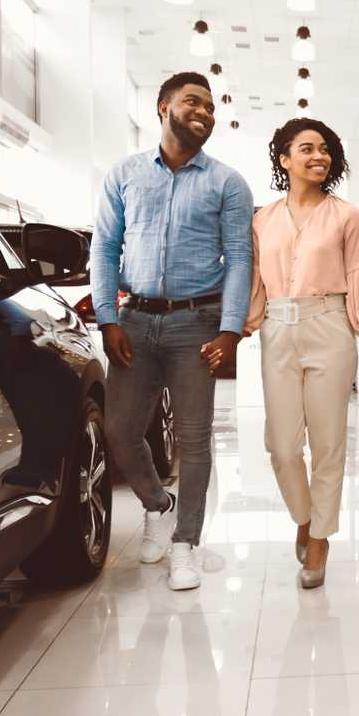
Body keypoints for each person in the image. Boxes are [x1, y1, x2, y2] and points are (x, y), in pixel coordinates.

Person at [91, 71, 254, 591]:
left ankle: (186, 543)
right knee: (119, 431)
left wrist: (230, 330)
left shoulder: (227, 183)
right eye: (192, 102)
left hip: (196, 324)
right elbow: (104, 247)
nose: (204, 112)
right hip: (134, 322)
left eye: (210, 107)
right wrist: (107, 316)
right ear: (164, 106)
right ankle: (158, 504)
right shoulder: (125, 174)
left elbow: (240, 259)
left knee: (194, 439)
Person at [246, 118, 359, 590]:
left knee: (328, 443)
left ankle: (320, 537)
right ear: (284, 159)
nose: (318, 156)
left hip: (330, 326)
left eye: (324, 149)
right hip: (277, 329)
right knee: (282, 447)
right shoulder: (263, 219)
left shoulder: (347, 216)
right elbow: (256, 283)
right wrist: (237, 328)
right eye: (306, 148)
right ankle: (304, 517)